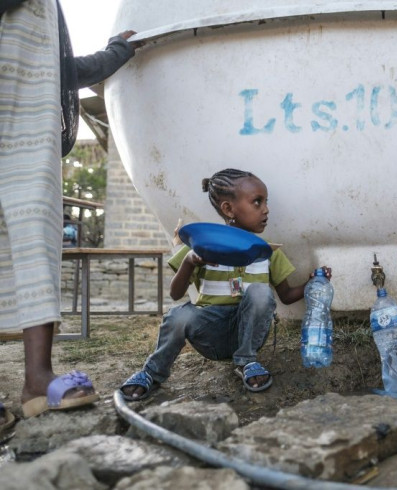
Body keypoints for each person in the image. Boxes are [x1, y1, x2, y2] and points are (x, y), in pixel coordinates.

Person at [0, 0, 142, 423]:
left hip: (29, 128)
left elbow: (60, 71)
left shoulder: (45, 9)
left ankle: (37, 380)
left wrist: (116, 52)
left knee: (35, 230)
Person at [120, 169, 331, 400]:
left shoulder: (268, 252)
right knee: (178, 315)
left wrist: (313, 282)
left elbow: (287, 295)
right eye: (257, 202)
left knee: (261, 291)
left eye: (265, 202)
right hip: (210, 333)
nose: (266, 209)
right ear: (228, 209)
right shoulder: (203, 246)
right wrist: (190, 262)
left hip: (248, 335)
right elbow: (175, 293)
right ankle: (152, 372)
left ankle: (247, 362)